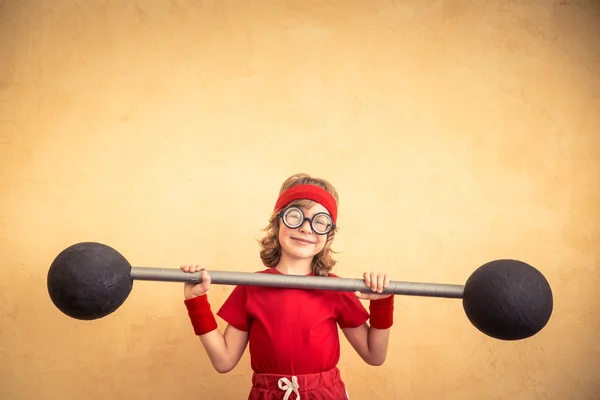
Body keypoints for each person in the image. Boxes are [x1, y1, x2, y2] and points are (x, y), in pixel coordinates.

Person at [180, 173, 394, 399]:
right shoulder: (251, 287)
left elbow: (374, 355)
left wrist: (381, 305)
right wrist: (195, 301)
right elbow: (223, 361)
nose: (306, 228)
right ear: (277, 221)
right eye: (296, 216)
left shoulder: (335, 289)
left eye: (320, 221)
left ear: (328, 234)